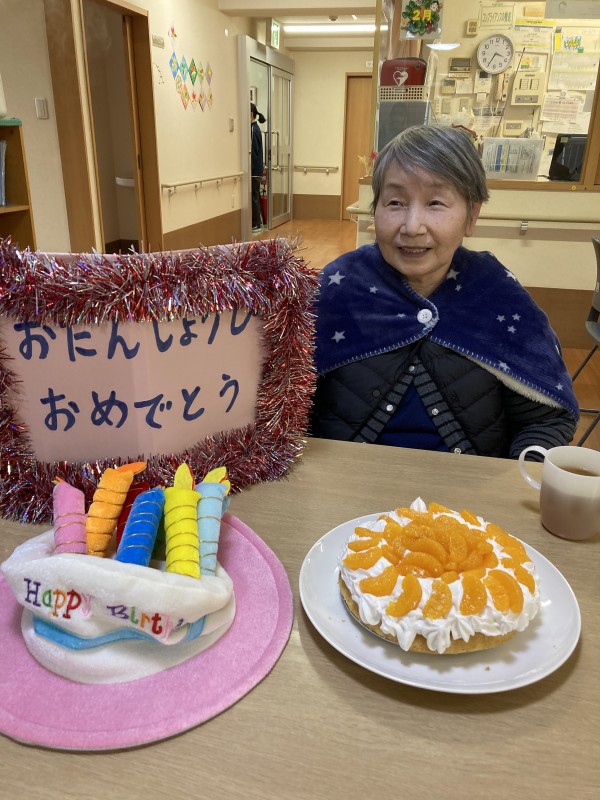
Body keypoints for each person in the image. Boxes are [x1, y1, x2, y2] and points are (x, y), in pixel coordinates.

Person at [311, 124, 578, 459]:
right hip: (344, 484)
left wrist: (520, 479)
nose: (412, 226)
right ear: (374, 210)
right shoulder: (335, 289)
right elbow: (278, 410)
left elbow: (545, 420)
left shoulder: (497, 295)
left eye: (435, 203)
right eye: (395, 202)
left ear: (471, 216)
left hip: (470, 492)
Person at [251, 102, 265, 231]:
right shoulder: (256, 128)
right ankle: (258, 221)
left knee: (253, 197)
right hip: (257, 169)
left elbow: (253, 151)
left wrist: (250, 168)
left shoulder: (253, 129)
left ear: (251, 114)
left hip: (254, 169)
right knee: (255, 196)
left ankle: (255, 223)